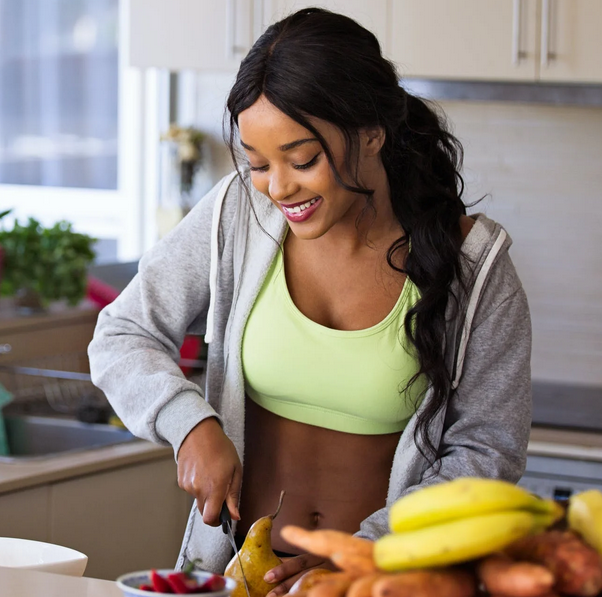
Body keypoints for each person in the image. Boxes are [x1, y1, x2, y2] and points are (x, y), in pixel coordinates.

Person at [88, 7, 531, 594]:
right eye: (257, 164)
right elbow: (121, 334)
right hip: (235, 579)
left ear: (372, 132)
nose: (278, 188)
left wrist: (362, 557)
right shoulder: (238, 214)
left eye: (302, 160)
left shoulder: (473, 264)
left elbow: (486, 454)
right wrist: (191, 423)